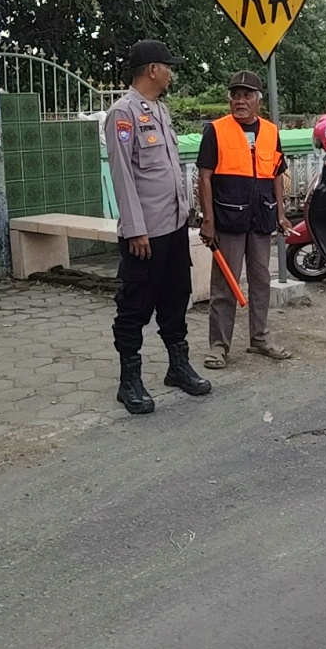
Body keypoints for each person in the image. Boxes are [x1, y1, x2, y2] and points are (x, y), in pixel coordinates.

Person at [105, 40, 212, 415]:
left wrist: (188, 213)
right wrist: (135, 229)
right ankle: (129, 381)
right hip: (144, 234)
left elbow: (167, 169)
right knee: (135, 307)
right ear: (152, 69)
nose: (170, 72)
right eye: (167, 66)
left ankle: (177, 366)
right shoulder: (122, 113)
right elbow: (123, 177)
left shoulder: (160, 110)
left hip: (173, 228)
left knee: (175, 298)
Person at [197, 70, 293, 369]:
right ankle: (218, 346)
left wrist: (280, 213)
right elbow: (204, 176)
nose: (240, 101)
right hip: (228, 218)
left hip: (261, 218)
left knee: (261, 279)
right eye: (235, 95)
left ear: (258, 101)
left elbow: (276, 173)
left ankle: (260, 338)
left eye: (247, 95)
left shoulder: (270, 131)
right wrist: (208, 220)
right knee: (224, 285)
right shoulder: (216, 130)